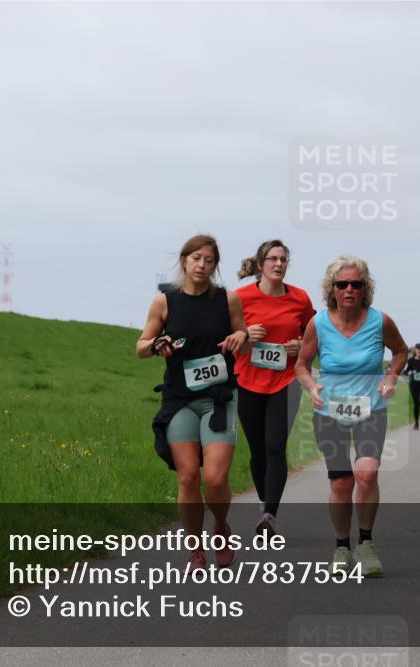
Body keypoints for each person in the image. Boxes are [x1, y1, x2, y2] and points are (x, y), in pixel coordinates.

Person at [137, 234, 248, 570]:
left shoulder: (227, 300)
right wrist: (157, 344)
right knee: (187, 478)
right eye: (196, 258)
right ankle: (195, 550)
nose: (202, 265)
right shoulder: (164, 302)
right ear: (184, 260)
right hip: (180, 400)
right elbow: (141, 346)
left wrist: (240, 336)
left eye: (209, 260)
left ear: (215, 266)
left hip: (218, 398)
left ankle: (221, 527)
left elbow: (244, 342)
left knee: (214, 479)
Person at [296, 255, 408, 577]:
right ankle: (342, 546)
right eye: (342, 284)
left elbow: (401, 351)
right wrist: (311, 387)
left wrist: (390, 377)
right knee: (342, 482)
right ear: (331, 289)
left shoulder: (380, 321)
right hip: (329, 410)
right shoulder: (318, 324)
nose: (349, 290)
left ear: (365, 289)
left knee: (367, 472)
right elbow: (301, 365)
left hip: (371, 408)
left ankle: (366, 543)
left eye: (356, 285)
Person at [234, 240, 315, 536]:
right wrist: (244, 335)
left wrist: (301, 346)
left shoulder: (300, 298)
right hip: (248, 380)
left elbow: (314, 334)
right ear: (260, 264)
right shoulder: (240, 298)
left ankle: (270, 515)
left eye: (283, 259)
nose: (279, 264)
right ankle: (263, 503)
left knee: (275, 446)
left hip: (286, 381)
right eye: (272, 259)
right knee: (258, 450)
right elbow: (225, 336)